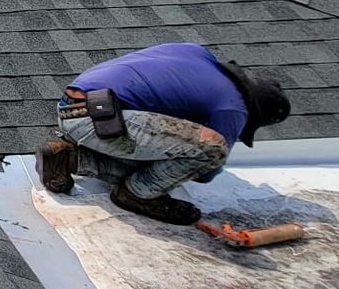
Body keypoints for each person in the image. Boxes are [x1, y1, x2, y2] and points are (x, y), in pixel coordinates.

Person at [36, 42, 290, 225]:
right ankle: (138, 195)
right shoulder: (233, 106)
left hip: (73, 107)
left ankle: (68, 158)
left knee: (162, 159)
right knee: (212, 149)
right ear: (254, 113)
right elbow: (207, 173)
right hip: (103, 120)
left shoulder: (196, 52)